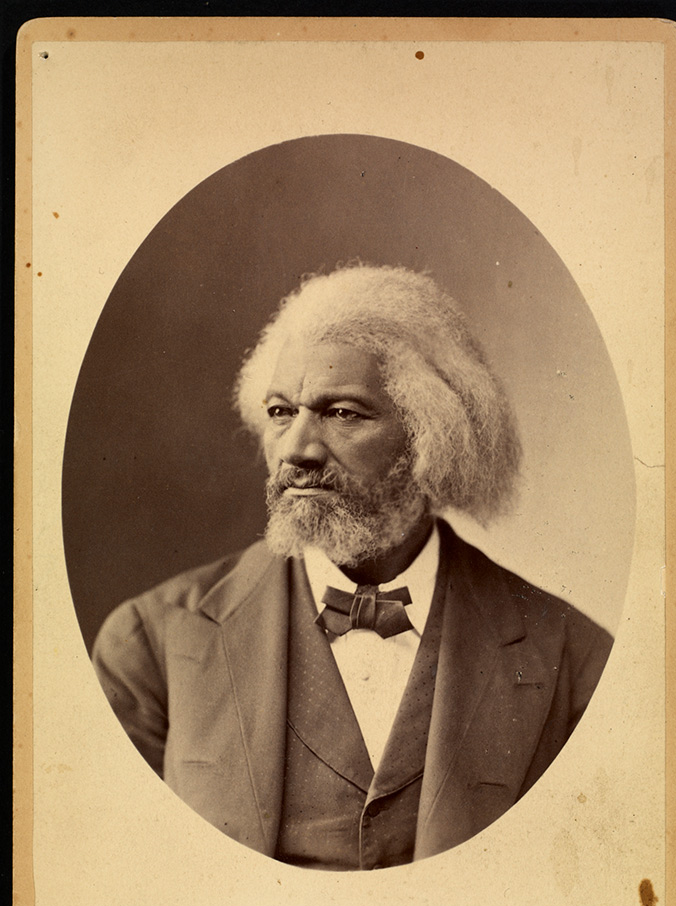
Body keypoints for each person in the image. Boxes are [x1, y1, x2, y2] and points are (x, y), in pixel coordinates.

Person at [92, 263, 613, 871]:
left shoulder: (575, 660)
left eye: (343, 413)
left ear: (431, 439)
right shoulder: (149, 646)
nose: (297, 450)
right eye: (282, 412)